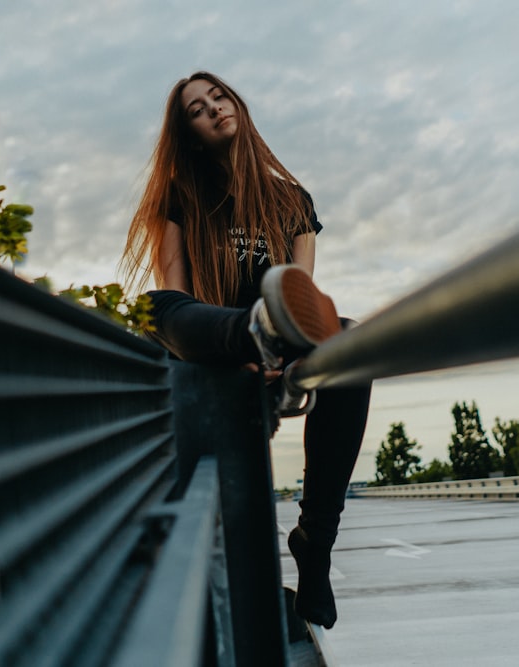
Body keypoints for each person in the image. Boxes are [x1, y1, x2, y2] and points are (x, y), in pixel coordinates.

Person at [120, 71, 372, 629]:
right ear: (189, 134)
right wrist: (243, 344)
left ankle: (316, 541)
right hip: (215, 352)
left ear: (236, 104)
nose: (212, 109)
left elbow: (300, 295)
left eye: (219, 97)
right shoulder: (178, 194)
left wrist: (291, 351)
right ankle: (253, 331)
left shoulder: (293, 201)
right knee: (154, 305)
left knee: (352, 343)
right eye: (196, 110)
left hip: (278, 356)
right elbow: (176, 295)